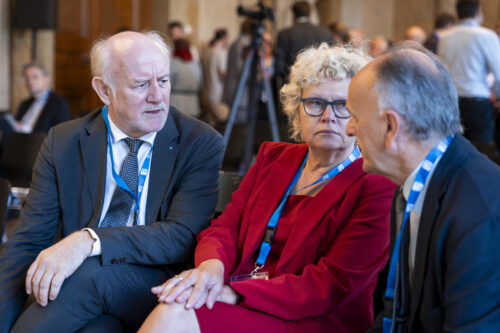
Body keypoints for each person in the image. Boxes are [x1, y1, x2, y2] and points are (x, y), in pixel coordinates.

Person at [139, 43, 396, 333]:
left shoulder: (376, 184)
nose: (328, 116)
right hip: (237, 290)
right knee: (175, 305)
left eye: (343, 105)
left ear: (360, 114)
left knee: (176, 314)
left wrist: (233, 293)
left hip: (312, 317)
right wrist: (211, 269)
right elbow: (225, 228)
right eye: (315, 103)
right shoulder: (274, 158)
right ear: (296, 108)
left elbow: (333, 285)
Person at [0, 31, 224, 332]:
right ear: (104, 90)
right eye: (141, 85)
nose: (158, 96)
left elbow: (180, 236)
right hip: (80, 296)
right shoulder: (64, 141)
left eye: (164, 81)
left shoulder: (199, 142)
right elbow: (28, 241)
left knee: (89, 274)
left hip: (155, 284)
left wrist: (89, 240)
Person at [346, 47, 500, 332]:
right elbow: (398, 312)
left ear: (391, 126)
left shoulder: (480, 212)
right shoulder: (411, 186)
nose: (349, 129)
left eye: (354, 116)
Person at [438, 0, 500, 146]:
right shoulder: (486, 35)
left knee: (454, 149)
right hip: (478, 102)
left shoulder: (445, 37)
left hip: (452, 102)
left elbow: (441, 70)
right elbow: (498, 72)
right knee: (480, 151)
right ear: (479, 11)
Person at [274, 1, 332, 91]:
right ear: (310, 13)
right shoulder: (325, 33)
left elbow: (279, 66)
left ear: (293, 14)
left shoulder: (285, 34)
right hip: (319, 87)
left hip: (292, 88)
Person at [1, 62, 71, 135]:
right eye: (27, 78)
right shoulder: (24, 104)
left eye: (35, 77)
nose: (30, 81)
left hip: (39, 144)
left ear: (47, 79)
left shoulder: (59, 104)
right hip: (17, 142)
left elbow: (61, 135)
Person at [200, 28, 229, 126]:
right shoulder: (221, 52)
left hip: (205, 92)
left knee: (210, 124)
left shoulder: (206, 51)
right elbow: (223, 74)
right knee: (226, 117)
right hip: (217, 94)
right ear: (225, 38)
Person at [170, 38, 202, 118]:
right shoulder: (196, 65)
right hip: (193, 105)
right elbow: (200, 84)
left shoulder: (173, 63)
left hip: (176, 103)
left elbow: (167, 83)